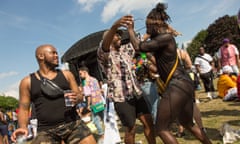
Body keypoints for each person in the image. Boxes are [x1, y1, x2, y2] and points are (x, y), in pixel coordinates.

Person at [128, 2, 212, 144]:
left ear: (155, 26)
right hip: (183, 83)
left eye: (148, 26)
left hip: (177, 84)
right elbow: (157, 65)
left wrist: (130, 30)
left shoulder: (165, 38)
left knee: (161, 128)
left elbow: (138, 46)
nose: (147, 30)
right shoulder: (162, 40)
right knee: (188, 124)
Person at [11, 44, 96, 144]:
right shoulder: (27, 82)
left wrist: (77, 98)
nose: (57, 55)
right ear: (41, 56)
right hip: (46, 131)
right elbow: (24, 109)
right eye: (53, 53)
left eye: (57, 53)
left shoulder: (67, 74)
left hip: (73, 123)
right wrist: (23, 127)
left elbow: (80, 96)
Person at [97, 16, 156, 144]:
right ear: (109, 38)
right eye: (116, 35)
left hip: (137, 93)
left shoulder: (125, 50)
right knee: (131, 129)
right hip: (121, 97)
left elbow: (140, 41)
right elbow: (105, 45)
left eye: (119, 35)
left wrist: (130, 29)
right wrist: (114, 27)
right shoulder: (104, 55)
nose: (119, 37)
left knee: (148, 122)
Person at [78, 66, 105, 143]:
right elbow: (99, 90)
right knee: (103, 118)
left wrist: (88, 105)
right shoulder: (94, 79)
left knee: (95, 120)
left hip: (94, 104)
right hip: (100, 102)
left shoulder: (85, 82)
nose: (80, 75)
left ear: (85, 72)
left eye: (80, 74)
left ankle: (102, 135)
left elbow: (88, 95)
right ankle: (109, 134)